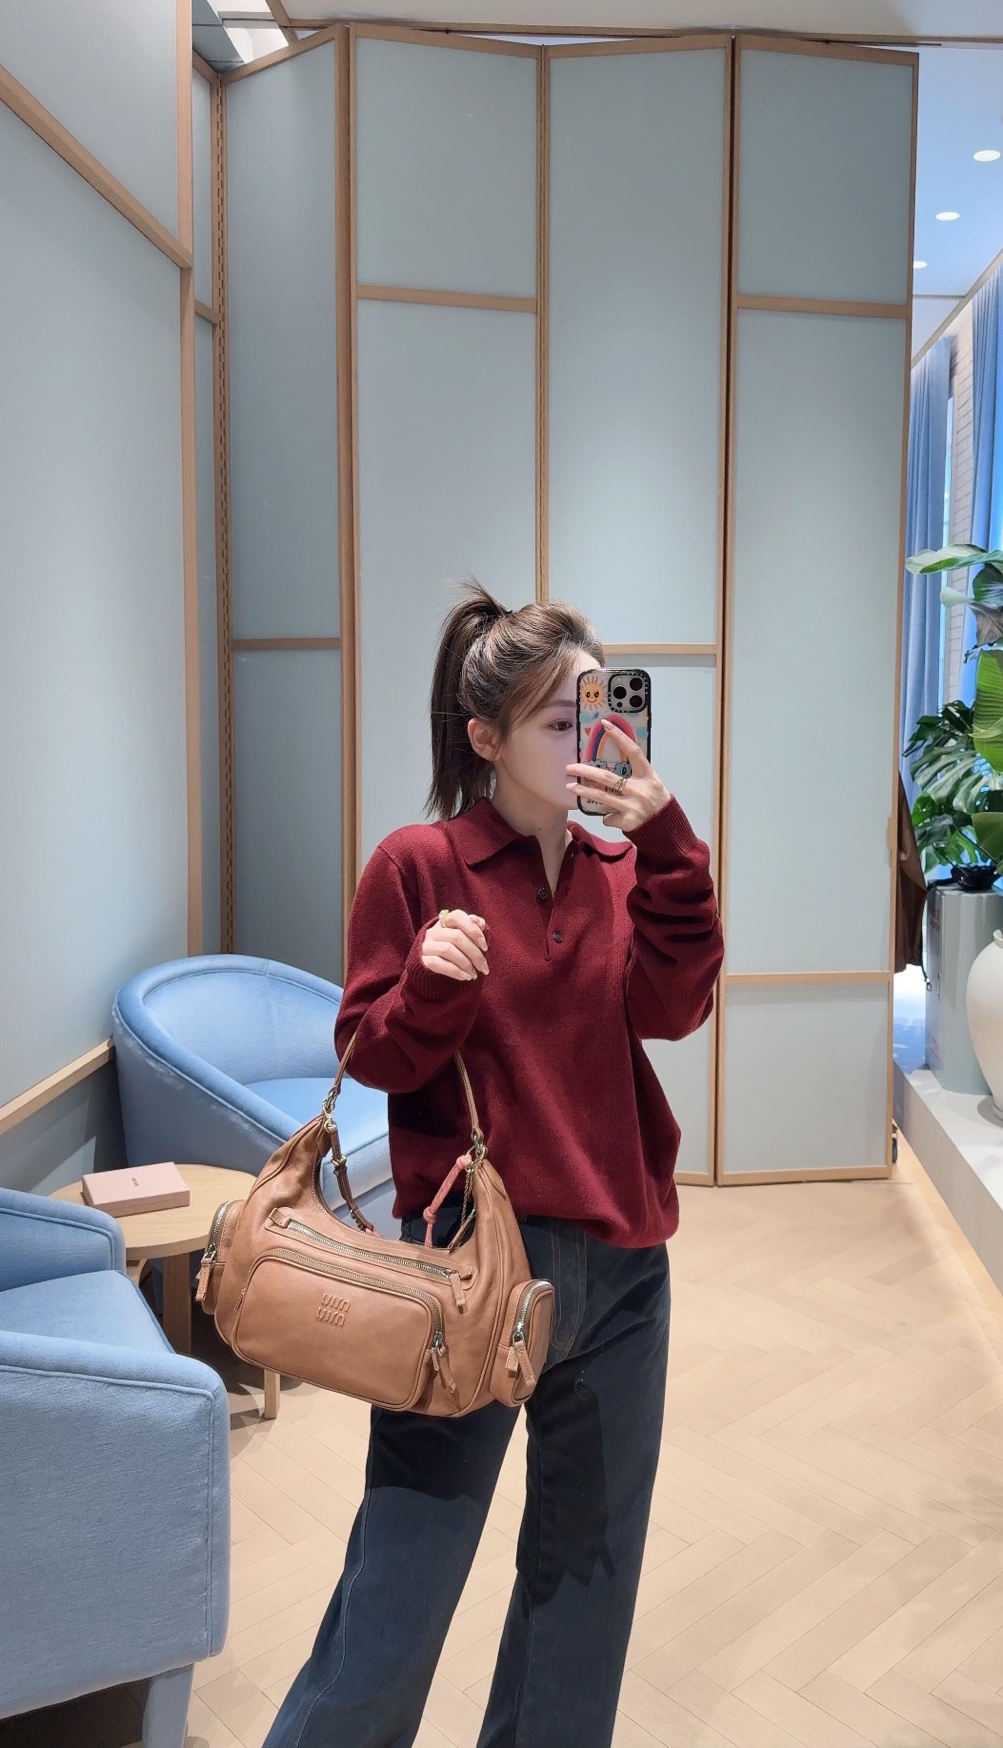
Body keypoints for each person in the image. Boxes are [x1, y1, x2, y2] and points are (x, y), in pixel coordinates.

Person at [264, 585, 724, 1748]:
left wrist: (668, 845)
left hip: (622, 1278)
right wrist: (432, 983)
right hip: (467, 1276)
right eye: (562, 722)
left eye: (601, 713)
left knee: (583, 1595)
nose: (592, 739)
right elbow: (373, 1054)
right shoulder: (418, 867)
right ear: (485, 738)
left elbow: (676, 1010)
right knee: (400, 1588)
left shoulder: (623, 873)